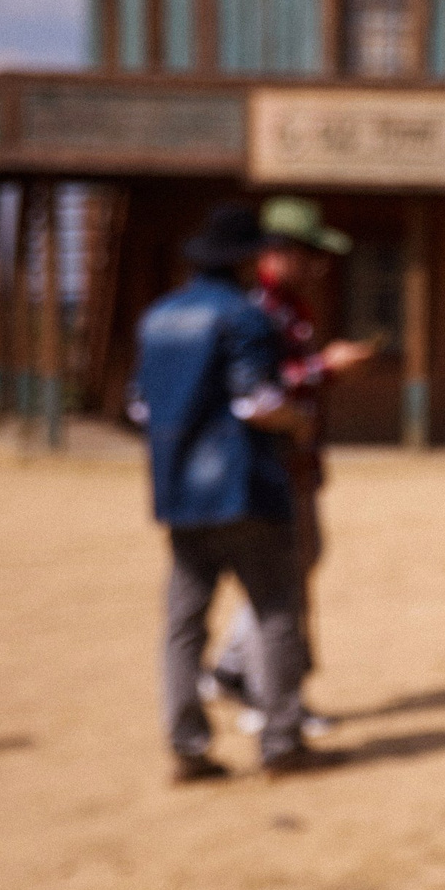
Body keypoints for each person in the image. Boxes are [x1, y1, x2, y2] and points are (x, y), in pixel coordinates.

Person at [130, 202, 337, 780]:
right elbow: (255, 402)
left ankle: (187, 747)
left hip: (179, 494)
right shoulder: (245, 319)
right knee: (275, 611)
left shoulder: (157, 318)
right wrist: (297, 421)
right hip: (246, 488)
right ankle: (281, 741)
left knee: (183, 623)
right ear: (247, 259)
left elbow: (140, 405)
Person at [202, 196, 376, 737]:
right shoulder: (258, 309)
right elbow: (261, 389)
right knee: (279, 581)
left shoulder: (289, 308)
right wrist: (326, 366)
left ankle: (237, 670)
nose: (317, 267)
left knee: (296, 569)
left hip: (296, 459)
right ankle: (265, 696)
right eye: (309, 254)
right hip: (271, 462)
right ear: (277, 253)